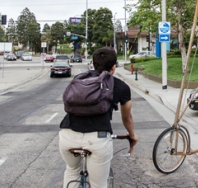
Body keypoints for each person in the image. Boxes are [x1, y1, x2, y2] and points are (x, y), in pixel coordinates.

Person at [58, 47, 138, 188]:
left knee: (72, 171)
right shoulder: (121, 87)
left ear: (93, 64)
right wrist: (132, 135)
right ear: (114, 67)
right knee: (98, 184)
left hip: (67, 135)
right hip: (97, 139)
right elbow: (127, 118)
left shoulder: (80, 80)